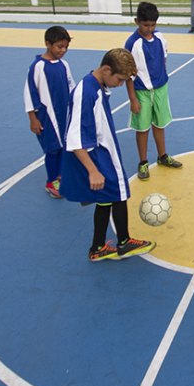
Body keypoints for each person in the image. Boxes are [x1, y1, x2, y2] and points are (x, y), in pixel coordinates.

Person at [59, 48, 155, 261]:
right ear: (106, 69)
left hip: (102, 150)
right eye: (120, 79)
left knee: (105, 200)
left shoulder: (96, 86)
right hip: (97, 156)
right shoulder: (87, 93)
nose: (121, 84)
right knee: (119, 193)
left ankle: (98, 247)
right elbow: (74, 140)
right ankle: (124, 242)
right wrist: (93, 171)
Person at [125, 2, 184, 181]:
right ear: (137, 21)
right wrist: (132, 99)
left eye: (153, 25)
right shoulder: (132, 43)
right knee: (143, 128)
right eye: (145, 25)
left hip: (160, 88)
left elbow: (164, 58)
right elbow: (128, 74)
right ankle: (143, 161)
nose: (149, 29)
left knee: (160, 124)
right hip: (142, 92)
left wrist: (162, 77)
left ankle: (162, 156)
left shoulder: (160, 38)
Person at [24, 26, 76, 199]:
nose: (63, 51)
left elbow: (71, 86)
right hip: (47, 119)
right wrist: (33, 119)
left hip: (64, 115)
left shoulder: (64, 65)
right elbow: (29, 94)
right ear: (48, 44)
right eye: (59, 47)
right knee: (52, 149)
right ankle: (51, 181)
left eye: (66, 47)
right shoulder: (37, 67)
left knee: (64, 147)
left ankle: (61, 176)